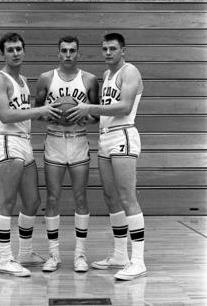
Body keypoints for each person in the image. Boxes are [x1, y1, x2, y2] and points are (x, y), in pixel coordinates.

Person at [67, 33, 146, 281]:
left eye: (113, 48)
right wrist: (78, 115)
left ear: (124, 50)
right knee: (111, 197)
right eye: (104, 49)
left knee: (126, 197)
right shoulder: (108, 76)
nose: (108, 52)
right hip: (105, 137)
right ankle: (120, 255)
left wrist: (89, 108)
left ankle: (138, 261)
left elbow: (123, 107)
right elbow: (105, 112)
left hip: (123, 135)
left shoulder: (129, 71)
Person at [0, 32, 61, 277]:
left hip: (25, 143)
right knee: (7, 201)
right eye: (10, 49)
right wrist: (39, 109)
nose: (15, 53)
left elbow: (24, 112)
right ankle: (5, 259)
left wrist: (51, 113)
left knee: (32, 202)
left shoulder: (22, 81)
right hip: (8, 142)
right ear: (3, 53)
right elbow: (7, 115)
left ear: (24, 50)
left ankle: (25, 253)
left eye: (19, 48)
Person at [35, 36, 99, 273]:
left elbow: (98, 116)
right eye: (64, 50)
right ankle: (53, 255)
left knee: (80, 198)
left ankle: (80, 255)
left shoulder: (90, 80)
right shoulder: (45, 79)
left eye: (72, 50)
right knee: (52, 198)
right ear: (58, 53)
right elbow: (37, 112)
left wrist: (84, 116)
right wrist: (48, 115)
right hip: (54, 142)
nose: (68, 54)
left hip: (79, 141)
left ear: (78, 53)